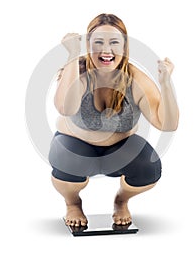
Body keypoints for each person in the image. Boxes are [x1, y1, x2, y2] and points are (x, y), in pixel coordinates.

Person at [48, 13, 179, 227]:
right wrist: (72, 55)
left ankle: (121, 201)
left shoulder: (135, 78)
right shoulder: (78, 71)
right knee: (66, 157)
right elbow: (65, 107)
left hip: (118, 152)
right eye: (98, 42)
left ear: (124, 47)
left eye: (114, 42)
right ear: (88, 45)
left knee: (149, 167)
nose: (106, 50)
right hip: (75, 148)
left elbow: (167, 124)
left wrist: (166, 83)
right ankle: (72, 204)